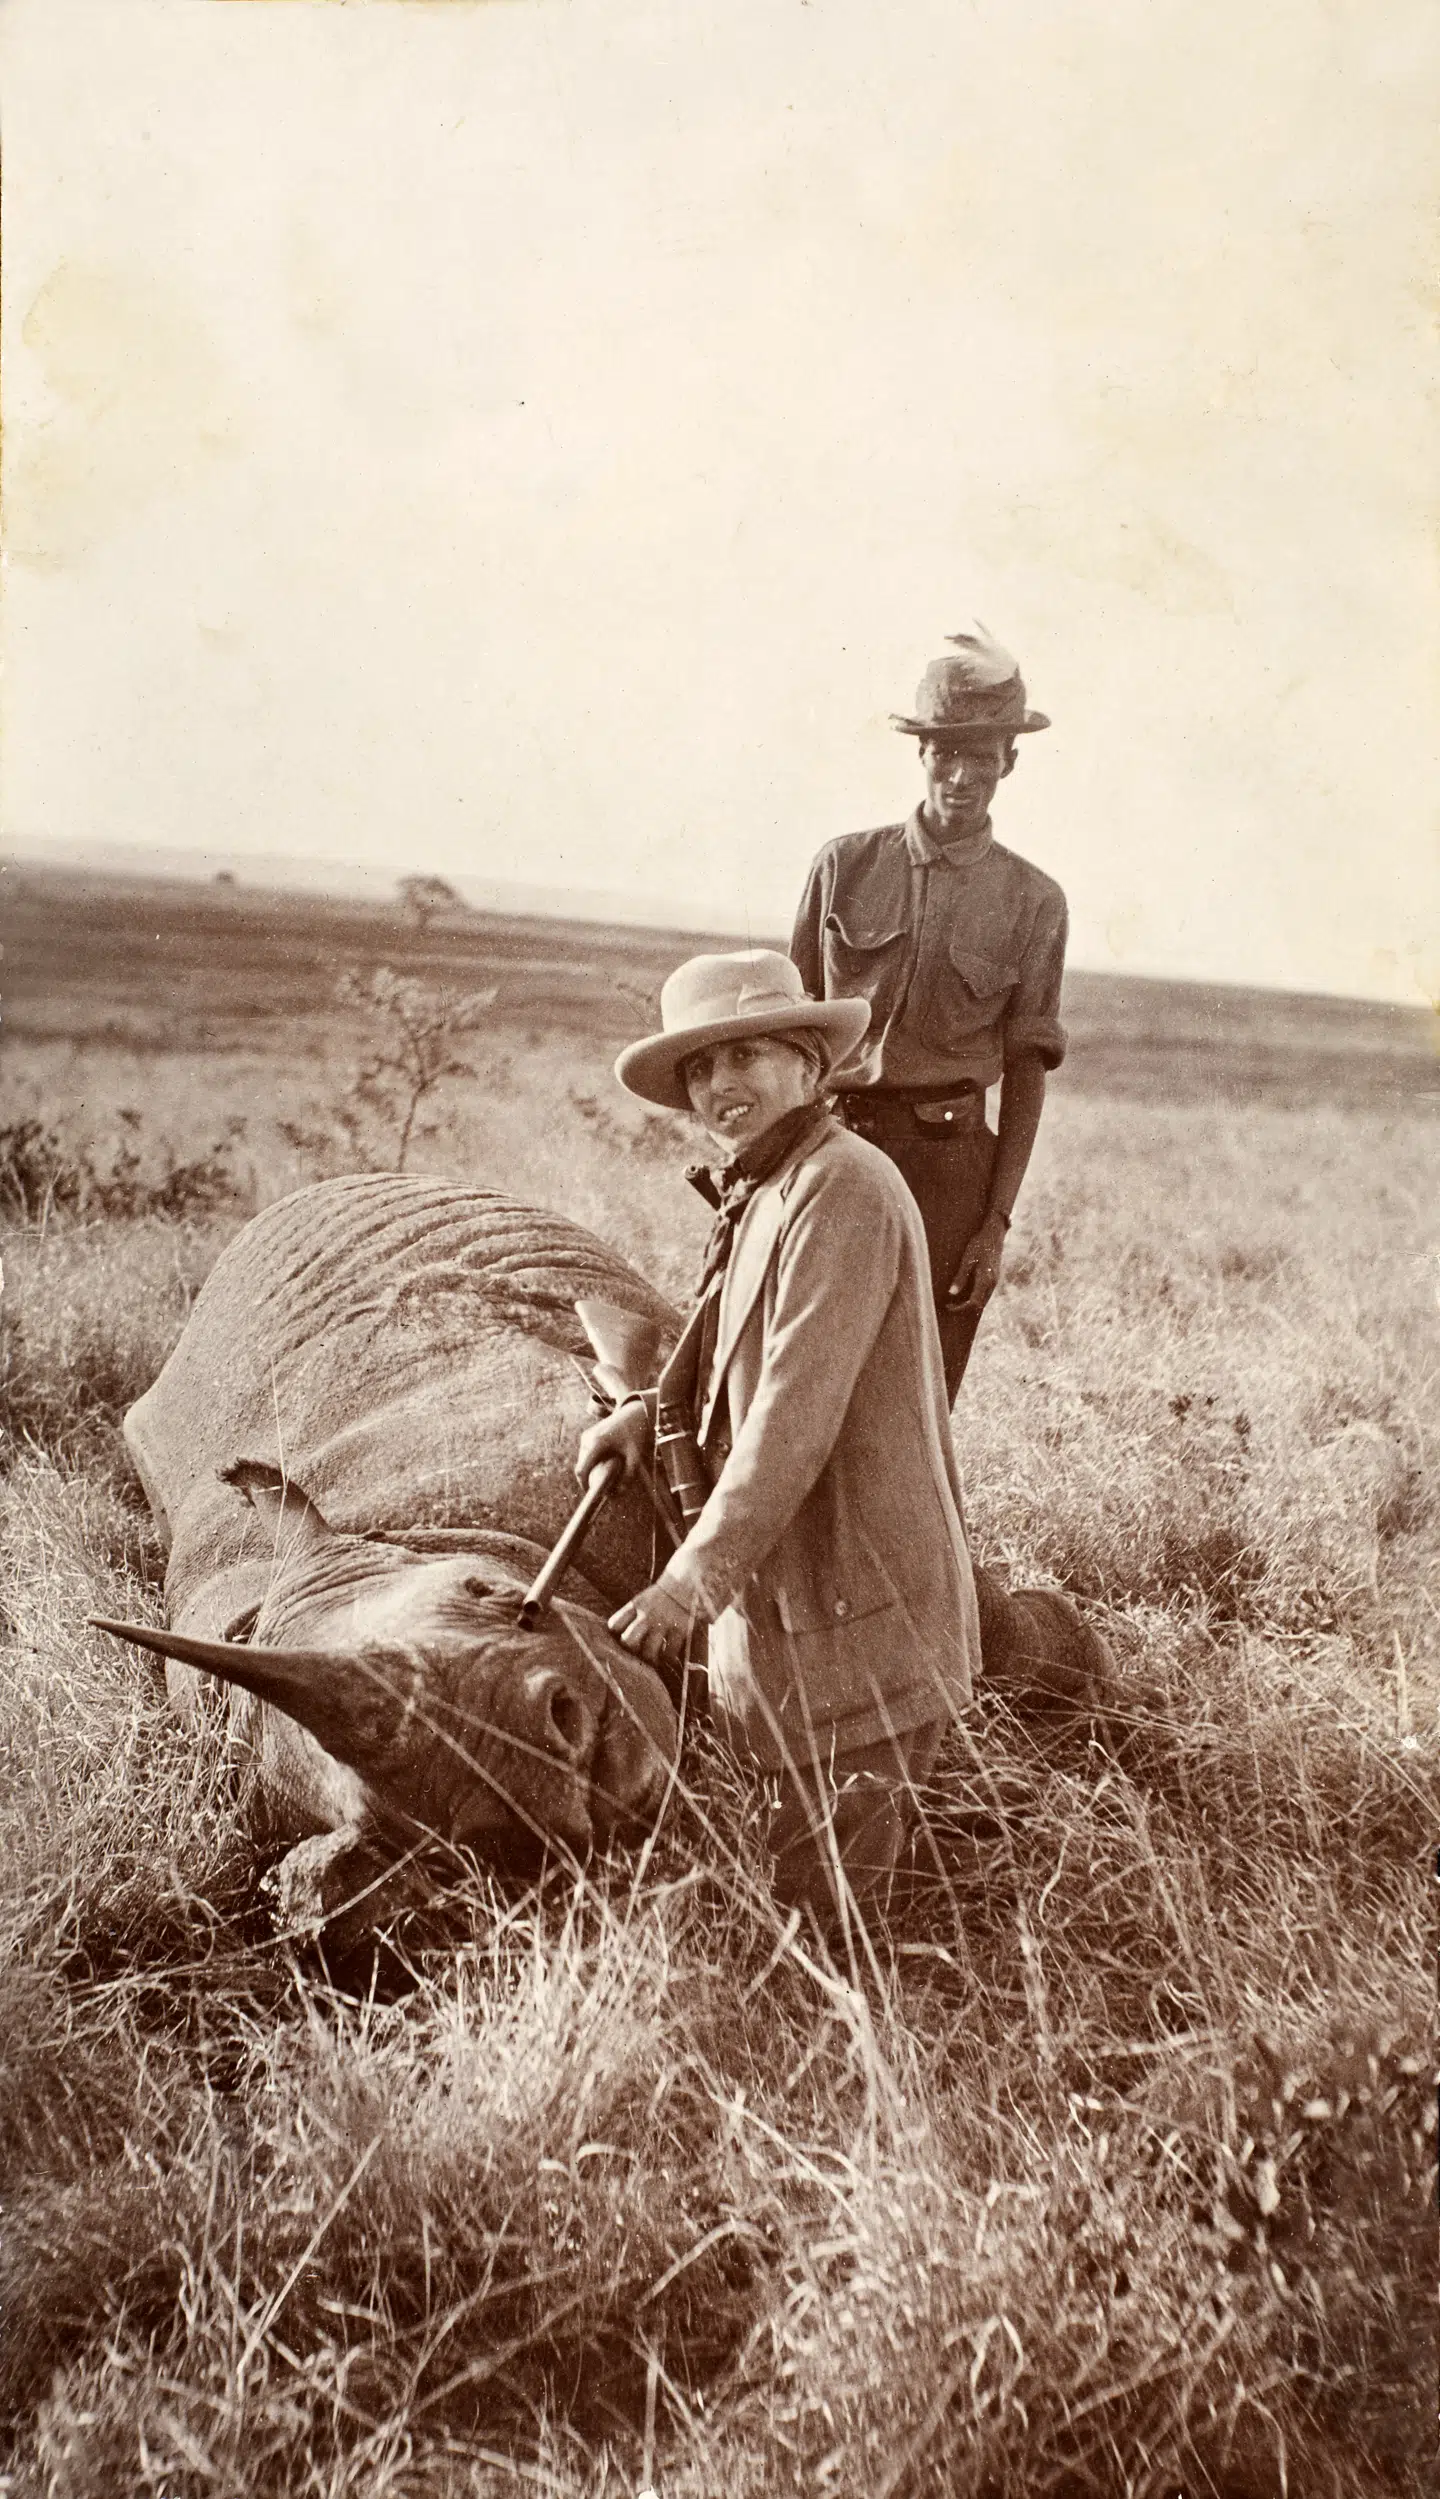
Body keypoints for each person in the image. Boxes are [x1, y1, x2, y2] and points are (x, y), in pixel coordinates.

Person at [575, 948, 981, 1938]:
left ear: (811, 1061)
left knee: (826, 1927)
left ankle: (863, 2075)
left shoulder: (842, 1189)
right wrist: (642, 1412)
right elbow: (724, 1348)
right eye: (702, 1071)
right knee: (802, 1876)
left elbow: (793, 1421)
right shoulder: (765, 1189)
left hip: (857, 1605)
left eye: (745, 1055)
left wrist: (686, 1587)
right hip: (803, 1608)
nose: (720, 1086)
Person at [790, 624, 1068, 1402]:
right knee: (793, 1382)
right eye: (947, 753)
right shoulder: (844, 866)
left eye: (982, 757)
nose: (961, 776)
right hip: (832, 1150)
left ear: (1008, 763)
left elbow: (1025, 1070)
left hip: (951, 1179)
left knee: (915, 1404)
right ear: (922, 756)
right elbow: (788, 1031)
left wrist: (994, 1224)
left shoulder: (1033, 902)